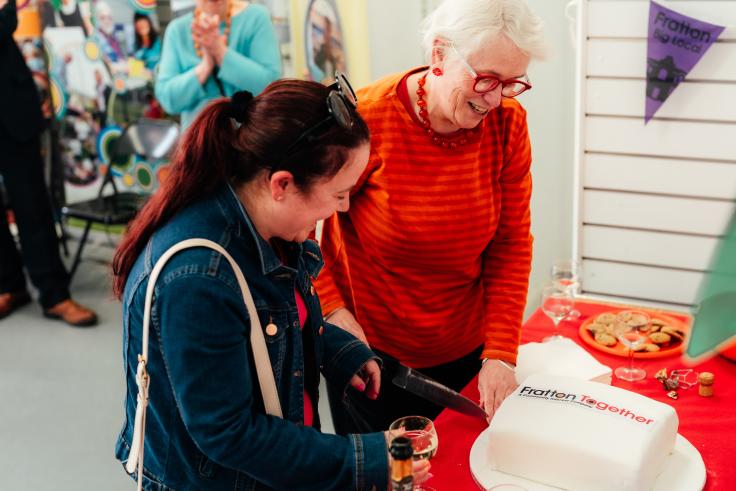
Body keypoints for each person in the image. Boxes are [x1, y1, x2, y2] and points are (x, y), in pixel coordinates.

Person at [111, 77, 430, 490]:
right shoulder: (196, 277)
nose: (344, 207)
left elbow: (274, 324)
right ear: (281, 184)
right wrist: (366, 458)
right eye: (339, 194)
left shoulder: (270, 231)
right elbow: (228, 432)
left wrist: (336, 350)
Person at [315, 0, 548, 434]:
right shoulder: (367, 118)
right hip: (370, 355)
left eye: (511, 83)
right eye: (485, 79)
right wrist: (332, 310)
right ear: (439, 54)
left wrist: (500, 351)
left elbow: (511, 241)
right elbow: (302, 230)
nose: (495, 99)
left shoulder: (508, 124)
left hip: (466, 350)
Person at [0, 0, 97, 326]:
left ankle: (55, 294)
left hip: (12, 110)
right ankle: (9, 286)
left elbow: (5, 20)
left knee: (32, 204)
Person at [155, 0, 281, 129]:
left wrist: (220, 52)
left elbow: (271, 85)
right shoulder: (177, 30)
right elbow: (168, 100)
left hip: (250, 141)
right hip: (199, 142)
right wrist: (205, 67)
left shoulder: (256, 17)